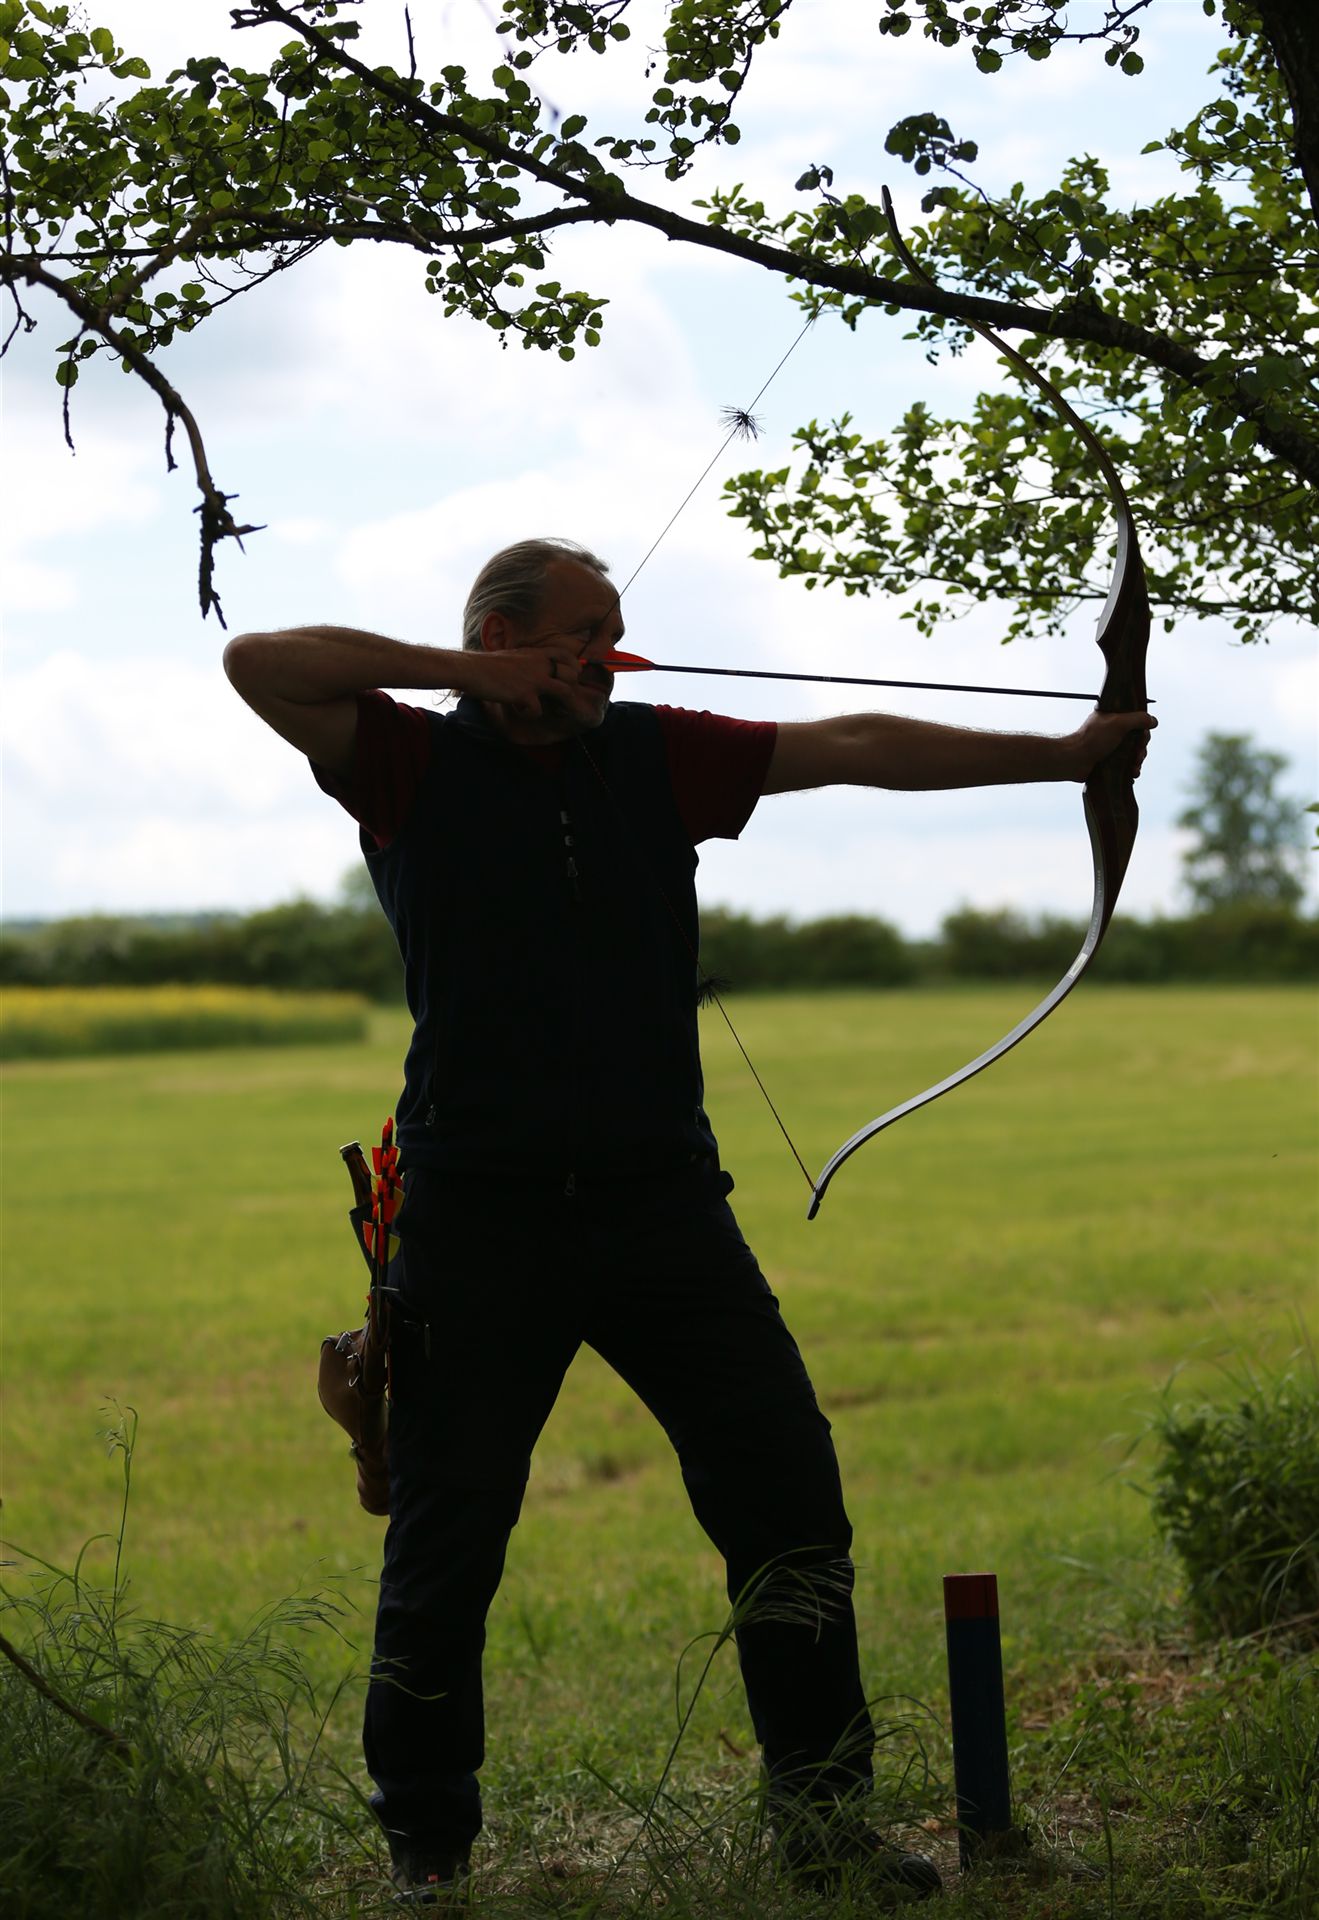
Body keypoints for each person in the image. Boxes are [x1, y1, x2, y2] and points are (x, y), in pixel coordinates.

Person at [223, 537, 1154, 1907]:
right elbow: (259, 660)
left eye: (615, 630)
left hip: (663, 1206)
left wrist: (1065, 758)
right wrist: (465, 675)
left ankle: (823, 1826)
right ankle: (428, 1849)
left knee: (790, 1502)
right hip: (478, 1217)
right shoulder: (405, 759)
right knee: (446, 1534)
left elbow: (852, 744)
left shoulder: (659, 753)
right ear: (500, 637)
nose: (607, 653)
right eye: (583, 631)